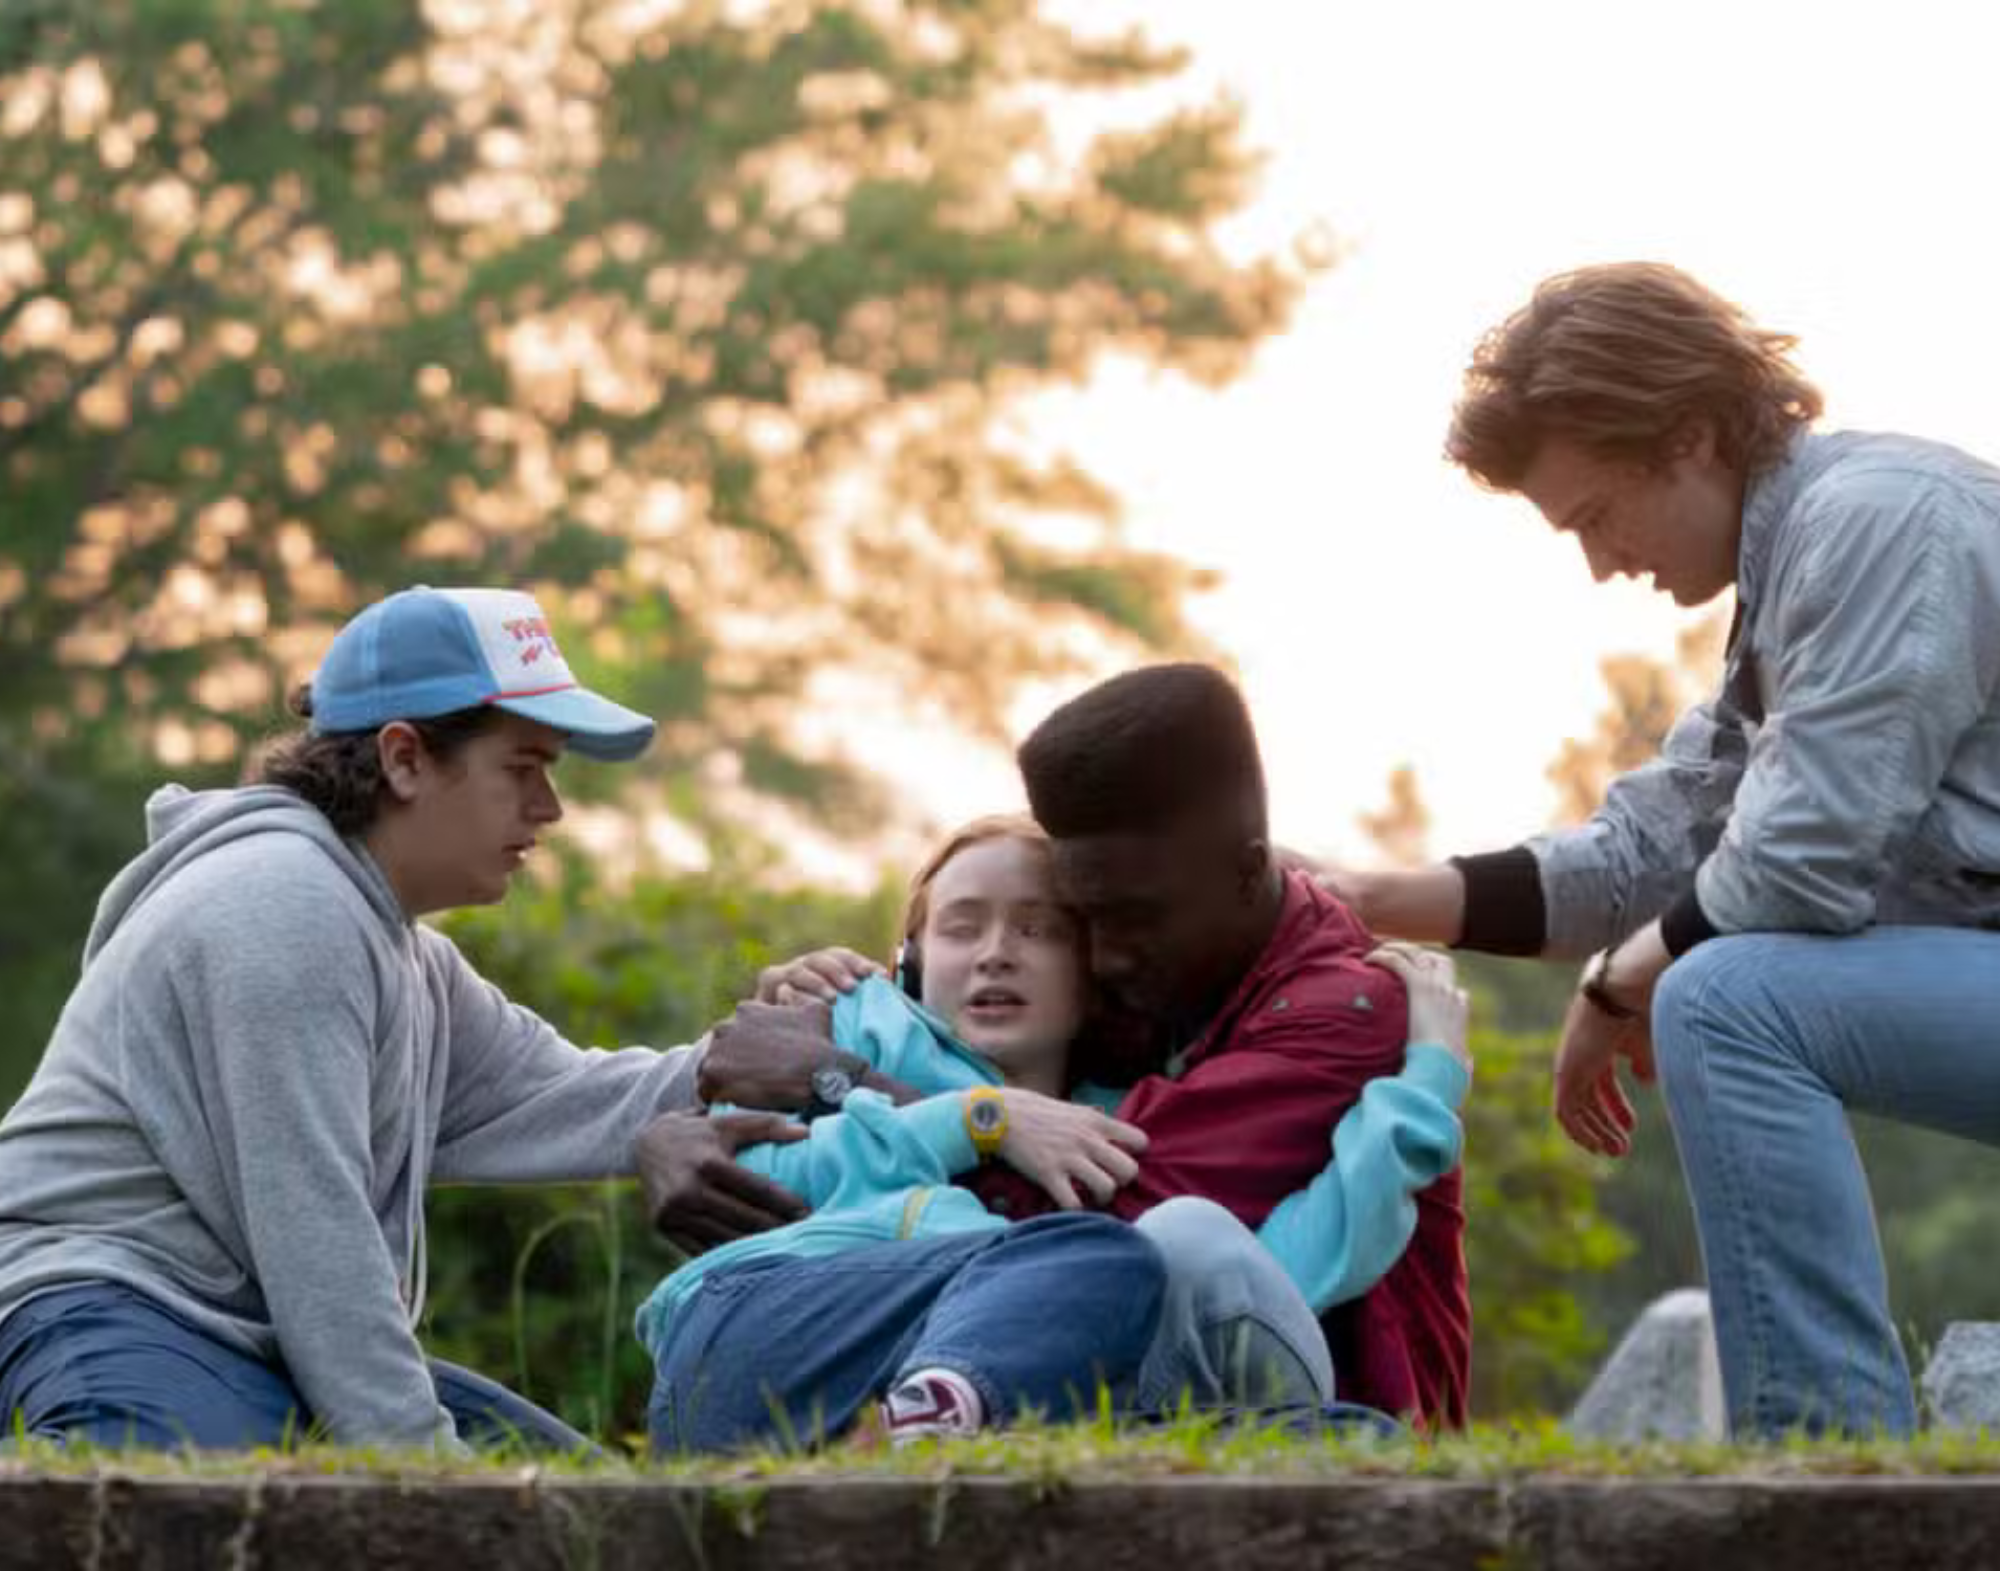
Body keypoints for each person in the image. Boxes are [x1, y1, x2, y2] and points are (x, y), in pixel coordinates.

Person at [1328, 261, 2000, 1438]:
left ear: (1686, 435)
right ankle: (1827, 1453)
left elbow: (1798, 858)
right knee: (1713, 972)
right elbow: (1646, 848)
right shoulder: (1789, 577)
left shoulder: (1880, 521)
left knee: (1725, 994)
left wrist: (1619, 978)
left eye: (1593, 515)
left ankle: (1823, 1464)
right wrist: (1375, 895)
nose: (1599, 563)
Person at [0, 585, 783, 1453]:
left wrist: (797, 1044)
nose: (550, 808)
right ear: (405, 757)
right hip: (96, 1310)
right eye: (523, 768)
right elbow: (318, 1246)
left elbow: (569, 1095)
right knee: (220, 1519)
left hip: (241, 1342)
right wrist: (438, 1484)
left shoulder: (399, 950)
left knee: (591, 1513)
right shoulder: (281, 906)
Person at [637, 664, 1475, 1429]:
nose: (1001, 951)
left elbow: (1201, 1247)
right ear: (910, 955)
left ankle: (935, 1416)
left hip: (1040, 1380)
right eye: (962, 925)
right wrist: (681, 1123)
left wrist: (1424, 1087)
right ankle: (938, 1415)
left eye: (1047, 929)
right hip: (778, 1327)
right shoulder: (855, 1017)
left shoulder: (1294, 1022)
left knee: (1146, 1263)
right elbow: (745, 1170)